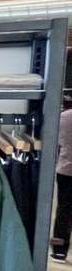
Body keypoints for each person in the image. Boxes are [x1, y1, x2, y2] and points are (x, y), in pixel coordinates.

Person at [52, 104, 72, 260]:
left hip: (66, 169)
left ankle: (59, 249)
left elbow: (56, 143)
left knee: (63, 210)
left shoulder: (64, 117)